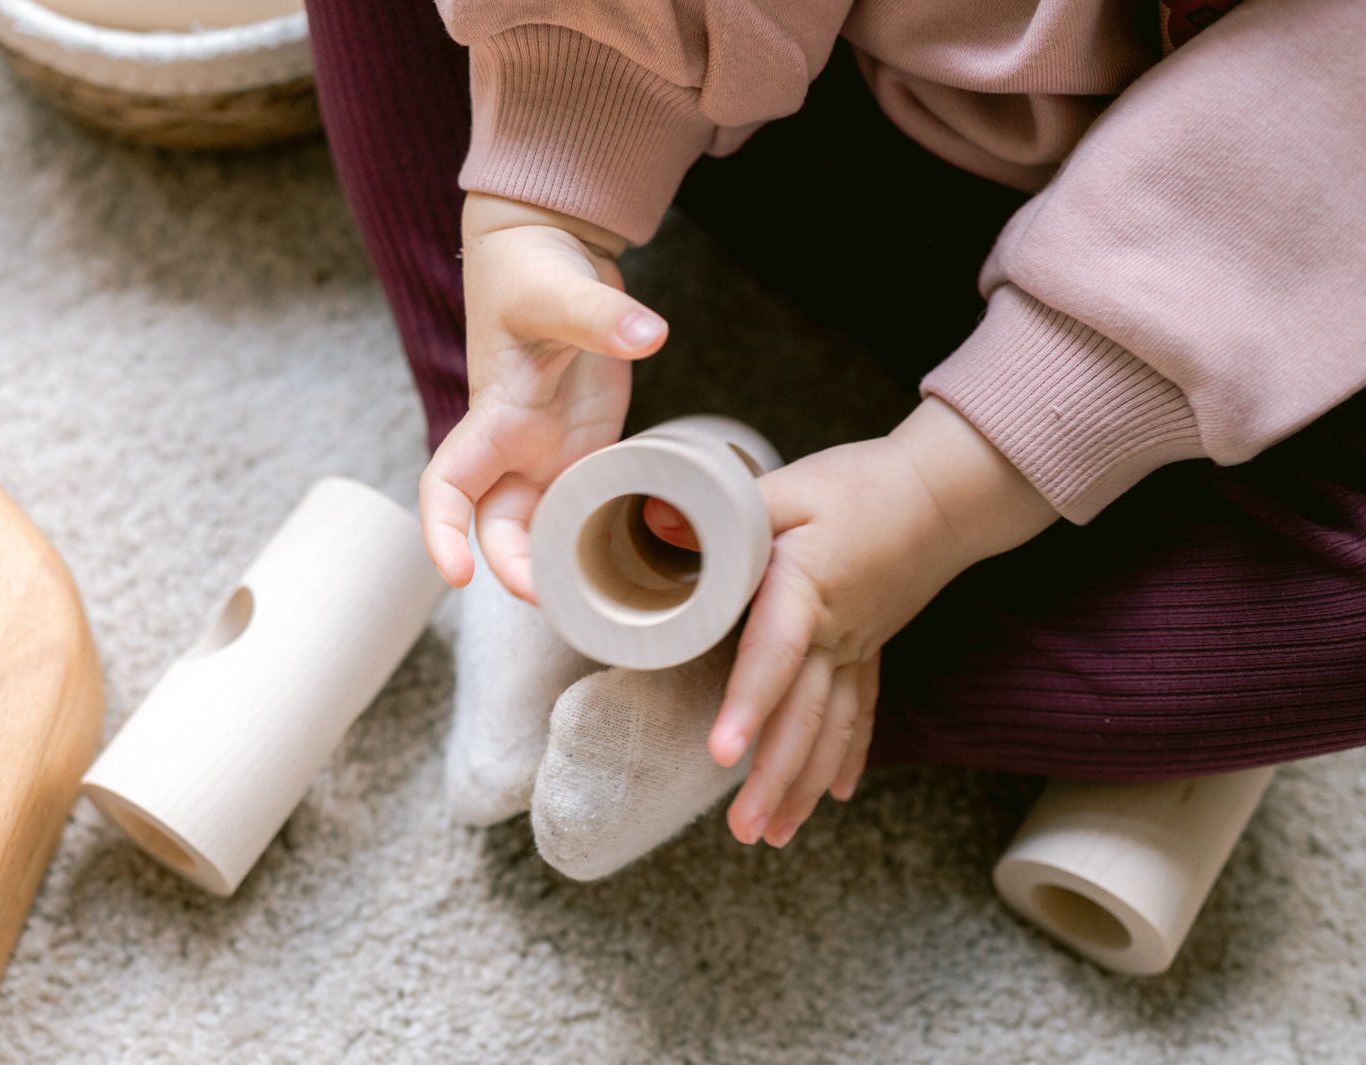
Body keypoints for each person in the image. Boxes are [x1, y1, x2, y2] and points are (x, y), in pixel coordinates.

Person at [304, 0, 1366, 876]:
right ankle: (519, 484)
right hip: (764, 83)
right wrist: (544, 193)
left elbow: (1315, 132)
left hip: (1230, 279)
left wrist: (942, 493)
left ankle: (761, 678)